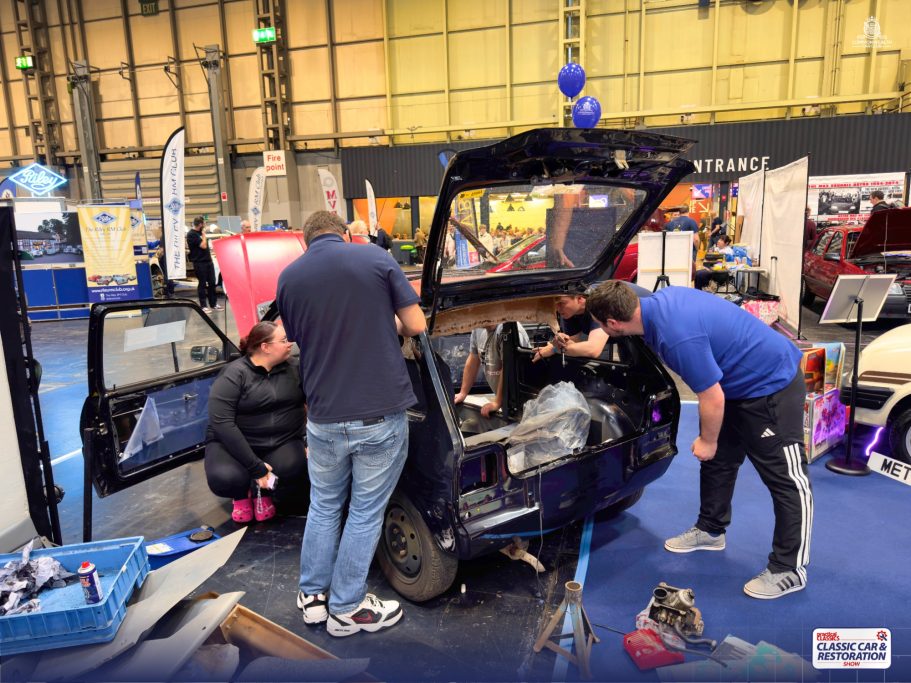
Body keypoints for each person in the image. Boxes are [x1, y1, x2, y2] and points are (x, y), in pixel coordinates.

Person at [586, 281, 812, 600]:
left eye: (600, 325)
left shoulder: (677, 337)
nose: (599, 330)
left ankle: (790, 569)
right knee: (718, 461)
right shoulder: (650, 303)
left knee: (787, 479)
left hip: (771, 384)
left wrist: (707, 440)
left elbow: (712, 397)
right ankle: (711, 529)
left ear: (613, 323)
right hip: (735, 385)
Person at [276, 211, 426, 637]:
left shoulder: (289, 277)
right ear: (345, 234)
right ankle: (346, 608)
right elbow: (416, 324)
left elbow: (300, 335)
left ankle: (313, 599)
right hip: (377, 414)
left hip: (323, 417)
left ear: (306, 240)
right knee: (364, 512)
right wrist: (384, 322)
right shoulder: (376, 258)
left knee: (323, 506)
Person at [204, 321, 306, 524]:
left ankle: (264, 491)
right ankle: (241, 494)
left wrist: (310, 440)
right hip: (236, 444)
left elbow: (312, 402)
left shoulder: (294, 368)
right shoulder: (234, 374)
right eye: (284, 340)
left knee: (293, 467)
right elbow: (222, 422)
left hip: (280, 441)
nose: (289, 344)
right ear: (265, 347)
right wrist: (255, 467)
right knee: (227, 478)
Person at [454, 323, 530, 418]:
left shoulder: (509, 330)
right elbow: (474, 358)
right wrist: (463, 393)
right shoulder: (478, 327)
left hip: (525, 404)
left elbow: (509, 367)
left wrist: (497, 402)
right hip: (505, 401)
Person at [532, 293, 609, 363]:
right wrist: (560, 342)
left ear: (579, 299)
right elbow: (573, 343)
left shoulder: (597, 307)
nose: (557, 308)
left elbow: (593, 350)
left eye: (561, 303)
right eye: (555, 304)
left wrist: (554, 349)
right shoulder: (569, 313)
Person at [187, 216, 221, 313]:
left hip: (208, 261)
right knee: (202, 284)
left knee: (212, 283)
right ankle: (203, 306)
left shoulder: (200, 233)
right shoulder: (192, 234)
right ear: (200, 224)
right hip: (199, 263)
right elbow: (203, 245)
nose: (205, 225)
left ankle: (213, 304)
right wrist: (204, 235)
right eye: (204, 223)